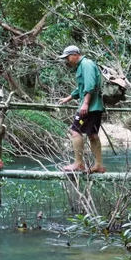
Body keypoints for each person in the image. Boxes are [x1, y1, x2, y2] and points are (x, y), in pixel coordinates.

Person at [57, 45, 106, 173]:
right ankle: (98, 165)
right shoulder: (83, 65)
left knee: (75, 131)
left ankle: (78, 163)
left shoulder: (86, 64)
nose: (67, 60)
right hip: (94, 107)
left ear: (74, 55)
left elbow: (90, 85)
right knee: (92, 135)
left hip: (90, 107)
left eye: (67, 58)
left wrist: (85, 103)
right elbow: (81, 87)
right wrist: (68, 98)